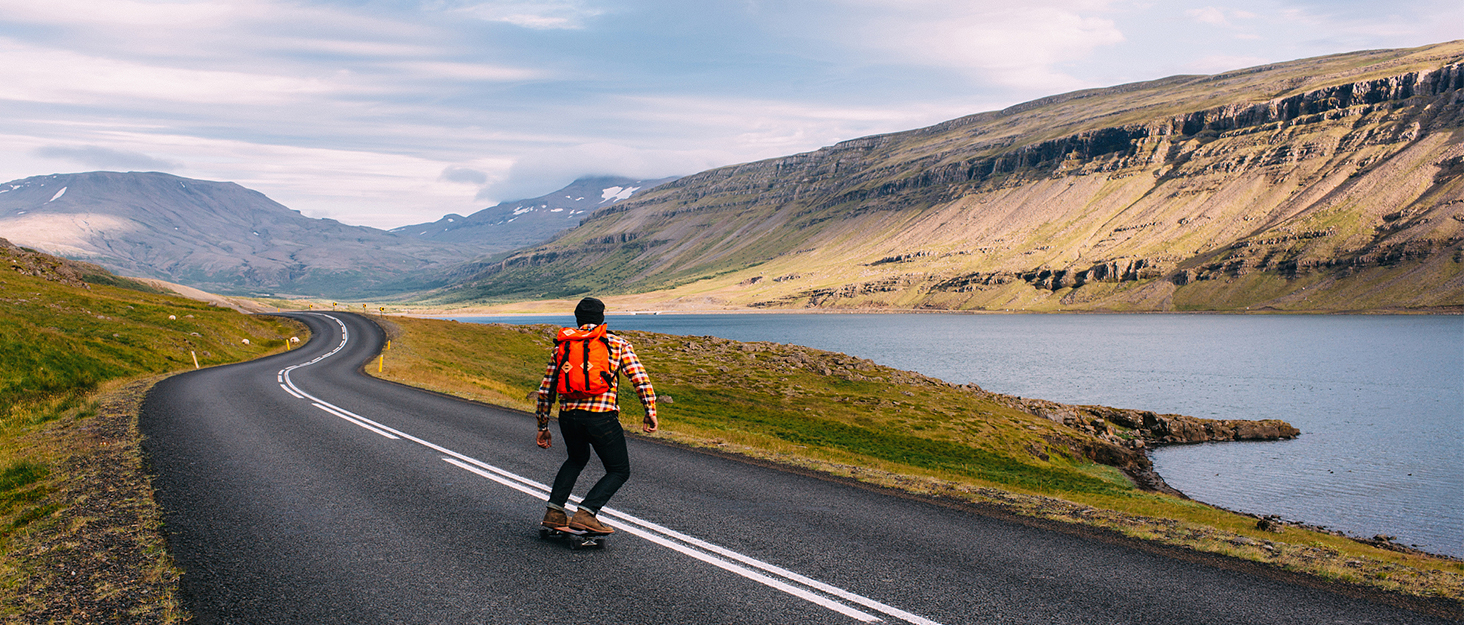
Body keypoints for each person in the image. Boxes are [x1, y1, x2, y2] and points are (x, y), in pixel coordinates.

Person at [535, 297, 658, 533]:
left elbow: (546, 389)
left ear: (577, 319)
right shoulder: (616, 343)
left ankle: (554, 511)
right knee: (619, 470)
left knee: (576, 459)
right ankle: (586, 513)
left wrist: (543, 425)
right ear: (602, 318)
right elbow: (640, 380)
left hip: (569, 417)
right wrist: (650, 411)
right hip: (602, 418)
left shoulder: (562, 346)